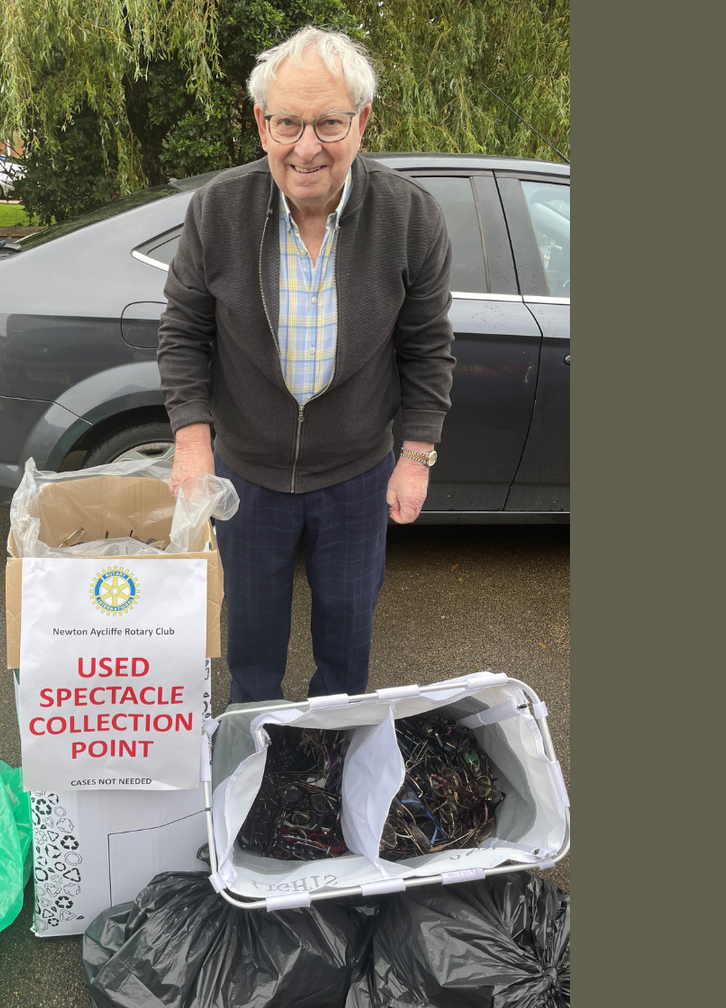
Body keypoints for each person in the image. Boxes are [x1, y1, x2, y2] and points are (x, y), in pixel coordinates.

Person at [157, 25, 456, 705]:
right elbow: (182, 330)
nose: (308, 147)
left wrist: (417, 454)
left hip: (355, 475)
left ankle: (333, 756)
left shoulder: (410, 217)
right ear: (263, 123)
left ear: (362, 122)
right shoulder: (219, 211)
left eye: (329, 122)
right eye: (289, 122)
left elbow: (427, 346)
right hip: (248, 472)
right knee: (252, 642)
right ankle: (254, 750)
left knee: (348, 642)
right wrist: (191, 438)